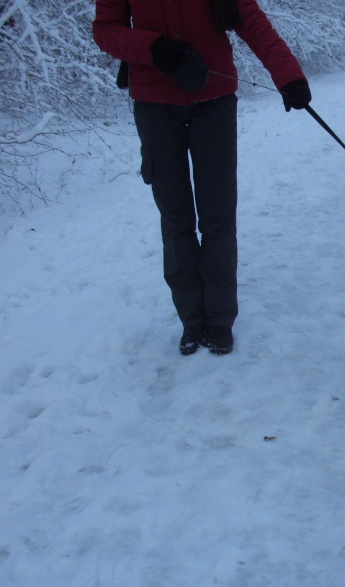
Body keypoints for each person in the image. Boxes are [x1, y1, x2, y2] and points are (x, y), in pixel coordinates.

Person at [93, 0, 311, 356]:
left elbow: (252, 22)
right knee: (176, 218)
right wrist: (152, 47)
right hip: (154, 105)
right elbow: (105, 30)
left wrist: (288, 75)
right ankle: (191, 320)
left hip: (215, 103)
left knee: (218, 215)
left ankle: (220, 319)